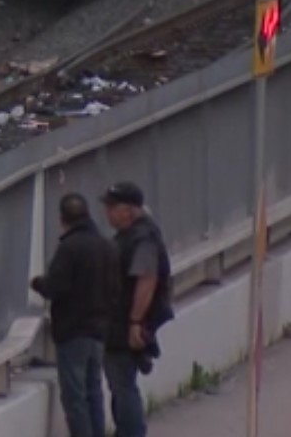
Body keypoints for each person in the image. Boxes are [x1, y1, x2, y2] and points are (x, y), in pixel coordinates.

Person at [31, 192, 122, 437]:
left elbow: (55, 287)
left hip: (73, 332)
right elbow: (116, 288)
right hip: (99, 330)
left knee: (75, 396)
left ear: (63, 219)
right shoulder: (107, 245)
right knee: (94, 391)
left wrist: (37, 283)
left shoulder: (69, 248)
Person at [101, 182, 174, 437]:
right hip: (121, 321)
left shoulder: (142, 238)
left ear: (129, 211)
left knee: (122, 385)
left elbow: (146, 277)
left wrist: (135, 322)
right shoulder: (134, 235)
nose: (107, 213)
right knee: (120, 385)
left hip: (126, 324)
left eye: (112, 207)